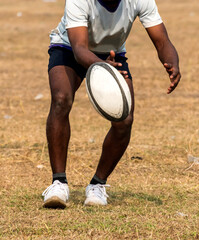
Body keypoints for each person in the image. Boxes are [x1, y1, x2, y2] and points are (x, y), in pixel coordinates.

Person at [42, 0, 181, 208]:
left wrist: (172, 63)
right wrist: (101, 66)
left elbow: (162, 41)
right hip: (68, 48)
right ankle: (58, 183)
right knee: (61, 99)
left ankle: (97, 185)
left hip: (112, 54)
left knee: (125, 120)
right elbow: (80, 49)